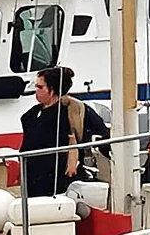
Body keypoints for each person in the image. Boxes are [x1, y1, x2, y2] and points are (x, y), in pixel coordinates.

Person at [19, 64, 95, 197]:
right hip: (32, 177)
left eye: (40, 87)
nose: (35, 89)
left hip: (56, 179)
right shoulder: (32, 114)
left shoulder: (70, 112)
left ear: (52, 89)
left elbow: (99, 132)